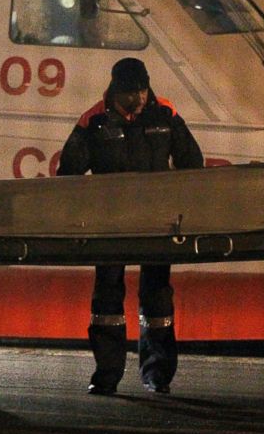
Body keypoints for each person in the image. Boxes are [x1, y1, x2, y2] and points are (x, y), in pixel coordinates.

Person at [57, 57, 203, 395]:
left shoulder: (165, 113)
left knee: (158, 300)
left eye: (142, 90)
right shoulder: (93, 121)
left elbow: (192, 162)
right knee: (107, 299)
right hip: (111, 223)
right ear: (114, 90)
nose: (138, 99)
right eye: (130, 94)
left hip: (157, 221)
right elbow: (69, 172)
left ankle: (158, 376)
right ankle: (107, 375)